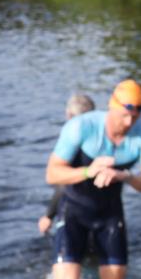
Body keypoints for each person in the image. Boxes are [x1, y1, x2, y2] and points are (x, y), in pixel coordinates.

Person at [44, 80, 141, 279]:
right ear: (111, 107)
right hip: (74, 210)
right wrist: (89, 171)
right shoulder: (82, 126)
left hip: (109, 214)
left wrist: (125, 176)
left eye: (134, 118)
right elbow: (52, 174)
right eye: (124, 116)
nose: (128, 123)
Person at [38, 93, 96, 234]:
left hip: (74, 208)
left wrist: (48, 216)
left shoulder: (71, 144)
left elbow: (64, 184)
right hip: (101, 208)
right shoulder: (102, 141)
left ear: (69, 115)